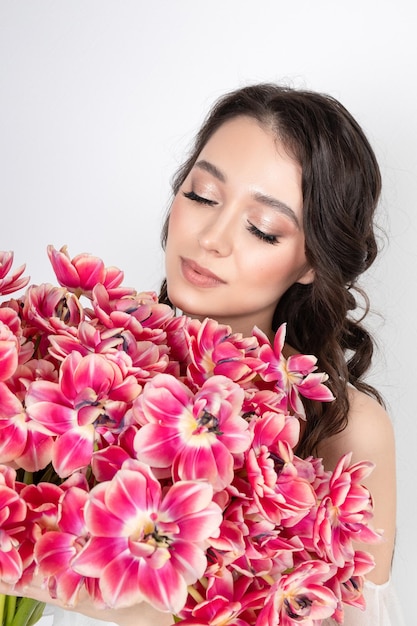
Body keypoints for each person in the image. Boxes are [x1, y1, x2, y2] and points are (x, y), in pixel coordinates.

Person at [2, 83, 403, 625]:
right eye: (202, 196)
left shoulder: (349, 429)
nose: (212, 237)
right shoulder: (63, 359)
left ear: (313, 262)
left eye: (263, 229)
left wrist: (99, 598)